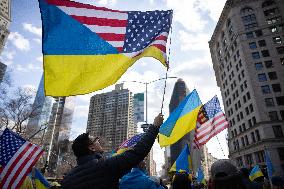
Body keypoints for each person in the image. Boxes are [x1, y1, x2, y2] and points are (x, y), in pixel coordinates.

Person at [61, 113, 164, 189]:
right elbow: (137, 153)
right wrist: (154, 127)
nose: (99, 141)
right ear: (91, 148)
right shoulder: (105, 166)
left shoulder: (67, 180)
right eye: (96, 140)